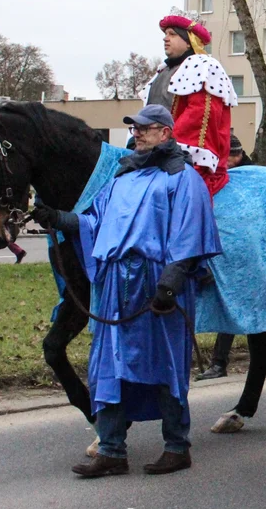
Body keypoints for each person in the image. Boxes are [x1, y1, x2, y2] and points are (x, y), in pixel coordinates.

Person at [32, 104, 221, 478]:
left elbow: (190, 232)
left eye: (145, 129)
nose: (137, 134)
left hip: (159, 285)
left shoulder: (183, 179)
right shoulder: (121, 180)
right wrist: (58, 219)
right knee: (109, 366)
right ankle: (112, 450)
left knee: (165, 364)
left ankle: (176, 446)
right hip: (117, 285)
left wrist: (172, 281)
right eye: (134, 129)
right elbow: (92, 223)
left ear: (165, 133)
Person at [196, 133, 266, 381]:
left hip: (254, 252)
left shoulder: (253, 180)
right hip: (236, 251)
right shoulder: (225, 179)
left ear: (236, 155)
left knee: (236, 304)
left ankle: (220, 362)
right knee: (239, 304)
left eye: (225, 158)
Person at [140, 9, 238, 197]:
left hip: (187, 155)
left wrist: (165, 143)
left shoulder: (202, 67)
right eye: (165, 34)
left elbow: (199, 116)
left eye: (173, 34)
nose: (165, 39)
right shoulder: (163, 71)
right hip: (155, 149)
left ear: (189, 40)